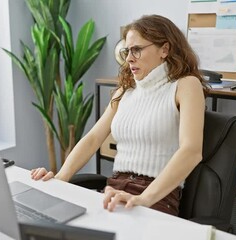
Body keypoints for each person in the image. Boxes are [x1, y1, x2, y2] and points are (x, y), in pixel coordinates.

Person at [30, 14, 208, 216]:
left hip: (156, 197)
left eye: (137, 50)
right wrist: (60, 179)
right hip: (114, 189)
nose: (129, 58)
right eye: (127, 51)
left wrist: (143, 198)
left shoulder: (185, 85)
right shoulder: (126, 90)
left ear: (164, 49)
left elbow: (191, 151)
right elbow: (93, 138)